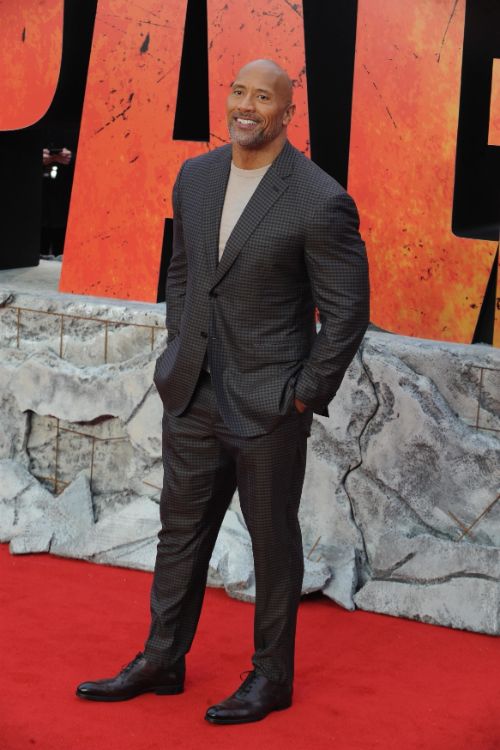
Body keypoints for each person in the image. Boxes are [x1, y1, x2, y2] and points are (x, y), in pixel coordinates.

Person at [76, 59, 370, 724]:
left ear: (287, 113)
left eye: (263, 97)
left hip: (269, 407)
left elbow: (347, 312)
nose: (246, 105)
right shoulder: (197, 176)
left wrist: (302, 394)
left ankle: (271, 678)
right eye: (239, 92)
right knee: (178, 534)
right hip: (192, 393)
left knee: (272, 544)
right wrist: (177, 348)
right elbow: (183, 273)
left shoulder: (319, 198)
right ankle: (162, 659)